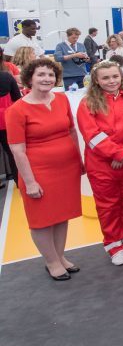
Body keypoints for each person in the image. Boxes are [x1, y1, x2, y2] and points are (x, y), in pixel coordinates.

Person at [6, 58, 84, 280]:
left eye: (50, 75)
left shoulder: (61, 99)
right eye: (41, 74)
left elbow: (71, 131)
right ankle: (51, 262)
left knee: (62, 215)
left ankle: (60, 256)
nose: (46, 79)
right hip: (38, 171)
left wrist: (78, 161)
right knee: (42, 219)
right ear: (29, 78)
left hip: (67, 168)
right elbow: (18, 150)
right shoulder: (17, 110)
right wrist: (29, 181)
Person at [76, 61, 123, 265]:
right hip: (102, 165)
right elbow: (92, 135)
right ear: (96, 80)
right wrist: (117, 154)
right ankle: (114, 244)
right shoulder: (88, 103)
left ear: (121, 77)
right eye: (105, 78)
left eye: (115, 76)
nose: (111, 81)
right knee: (108, 206)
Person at [0, 61, 22, 186]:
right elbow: (17, 98)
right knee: (13, 151)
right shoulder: (6, 76)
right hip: (5, 119)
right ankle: (19, 180)